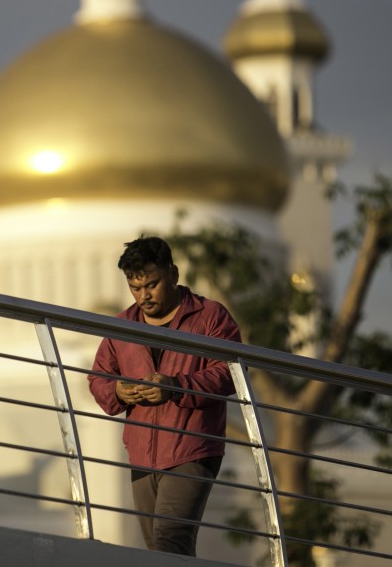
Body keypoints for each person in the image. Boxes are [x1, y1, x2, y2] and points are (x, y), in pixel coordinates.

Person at [88, 235, 241, 556]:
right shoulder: (122, 326)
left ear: (173, 273)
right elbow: (99, 382)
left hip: (192, 447)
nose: (144, 296)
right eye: (135, 287)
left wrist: (176, 386)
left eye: (152, 285)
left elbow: (229, 373)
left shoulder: (210, 316)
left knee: (169, 542)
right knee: (160, 552)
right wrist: (118, 390)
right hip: (142, 454)